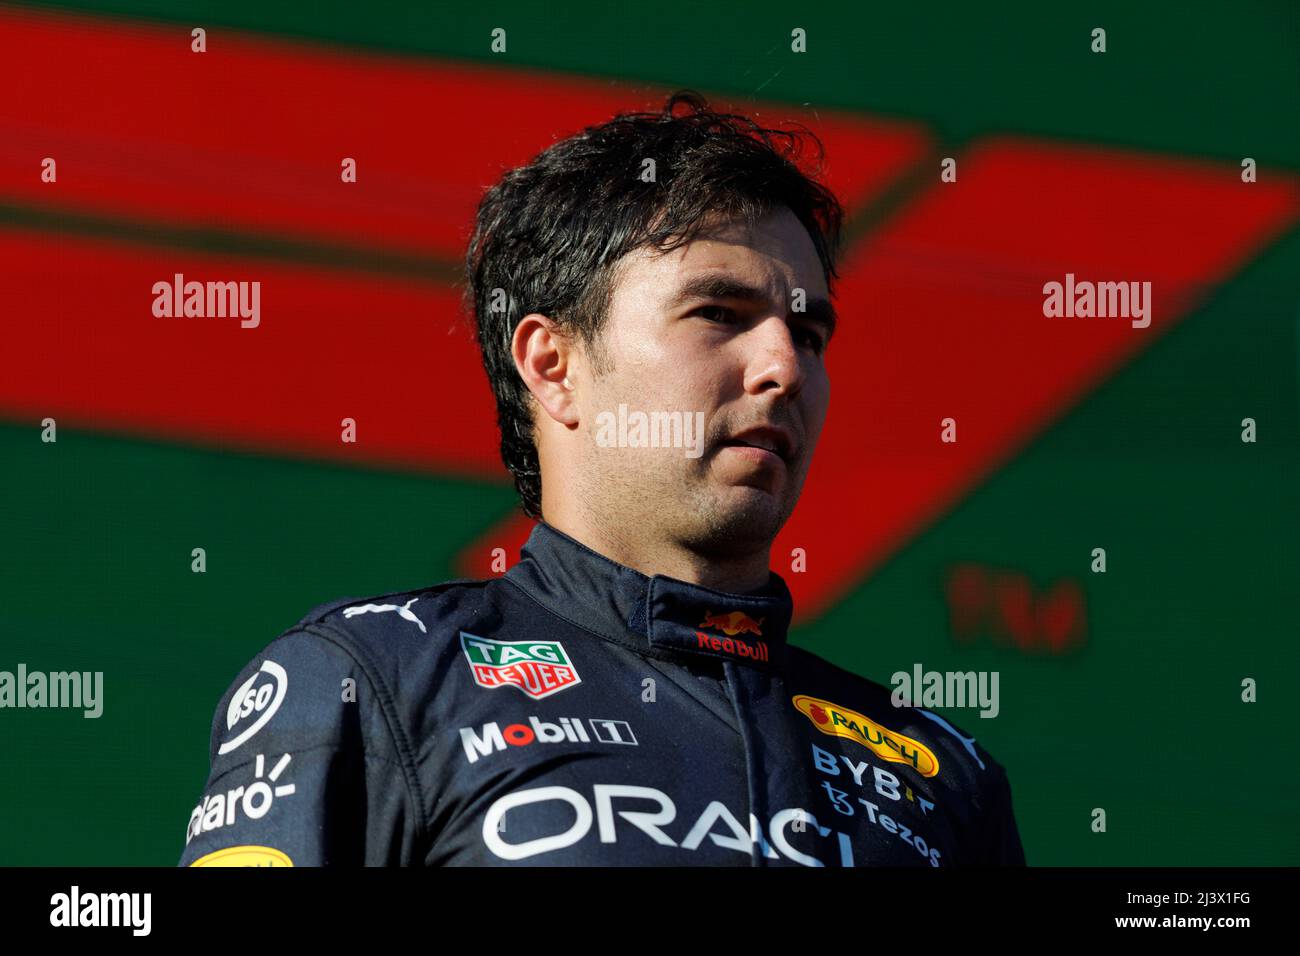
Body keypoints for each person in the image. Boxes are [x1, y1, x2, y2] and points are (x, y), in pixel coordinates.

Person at [177, 90, 1026, 867]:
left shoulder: (942, 775)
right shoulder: (375, 679)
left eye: (809, 335)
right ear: (553, 364)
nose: (783, 366)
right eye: (719, 315)